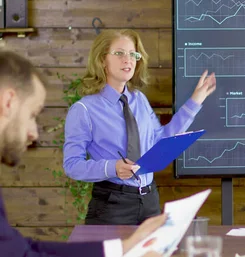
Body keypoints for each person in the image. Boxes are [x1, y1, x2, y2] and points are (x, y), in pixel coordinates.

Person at [0, 49, 165, 256]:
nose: (34, 133)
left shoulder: (139, 101)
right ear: (9, 102)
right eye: (32, 115)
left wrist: (123, 248)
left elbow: (22, 249)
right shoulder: (85, 109)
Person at [62, 29, 216, 225]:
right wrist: (112, 168)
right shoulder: (83, 109)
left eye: (133, 54)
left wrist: (196, 100)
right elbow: (72, 165)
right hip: (112, 206)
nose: (128, 59)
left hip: (149, 200)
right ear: (102, 60)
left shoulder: (139, 100)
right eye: (119, 53)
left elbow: (160, 140)